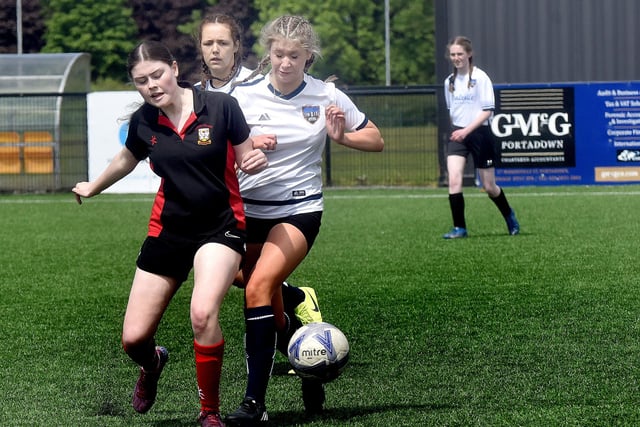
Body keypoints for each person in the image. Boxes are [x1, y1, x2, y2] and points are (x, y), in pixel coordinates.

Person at [72, 40, 268, 427]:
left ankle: (209, 413)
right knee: (133, 340)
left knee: (202, 313)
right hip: (169, 230)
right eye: (141, 81)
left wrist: (255, 160)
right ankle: (154, 362)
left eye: (157, 74)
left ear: (175, 69)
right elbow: (128, 157)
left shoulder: (221, 107)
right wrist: (94, 186)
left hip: (220, 227)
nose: (152, 85)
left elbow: (246, 155)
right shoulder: (144, 122)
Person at [223, 15, 384, 426]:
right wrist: (248, 149)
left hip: (298, 209)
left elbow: (376, 139)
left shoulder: (326, 95)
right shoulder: (243, 96)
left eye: (294, 56)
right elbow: (217, 147)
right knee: (250, 286)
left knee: (257, 287)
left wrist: (343, 137)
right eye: (278, 54)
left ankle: (253, 405)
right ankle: (305, 347)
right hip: (245, 210)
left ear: (308, 56)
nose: (285, 63)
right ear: (269, 53)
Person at [194, 13, 323, 328]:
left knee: (251, 281)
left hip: (268, 202)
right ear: (199, 48)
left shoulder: (257, 84)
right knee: (236, 275)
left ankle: (288, 334)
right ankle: (294, 298)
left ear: (236, 46)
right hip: (220, 198)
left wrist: (252, 144)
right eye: (208, 43)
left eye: (222, 43)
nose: (215, 50)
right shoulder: (197, 92)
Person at [442, 35, 520, 239]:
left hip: (479, 134)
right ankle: (460, 227)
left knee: (489, 186)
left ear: (469, 54)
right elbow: (452, 110)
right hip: (458, 135)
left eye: (459, 54)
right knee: (454, 180)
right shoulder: (449, 81)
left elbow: (487, 111)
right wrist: (460, 130)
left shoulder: (481, 77)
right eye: (452, 54)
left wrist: (467, 130)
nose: (456, 58)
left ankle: (509, 215)